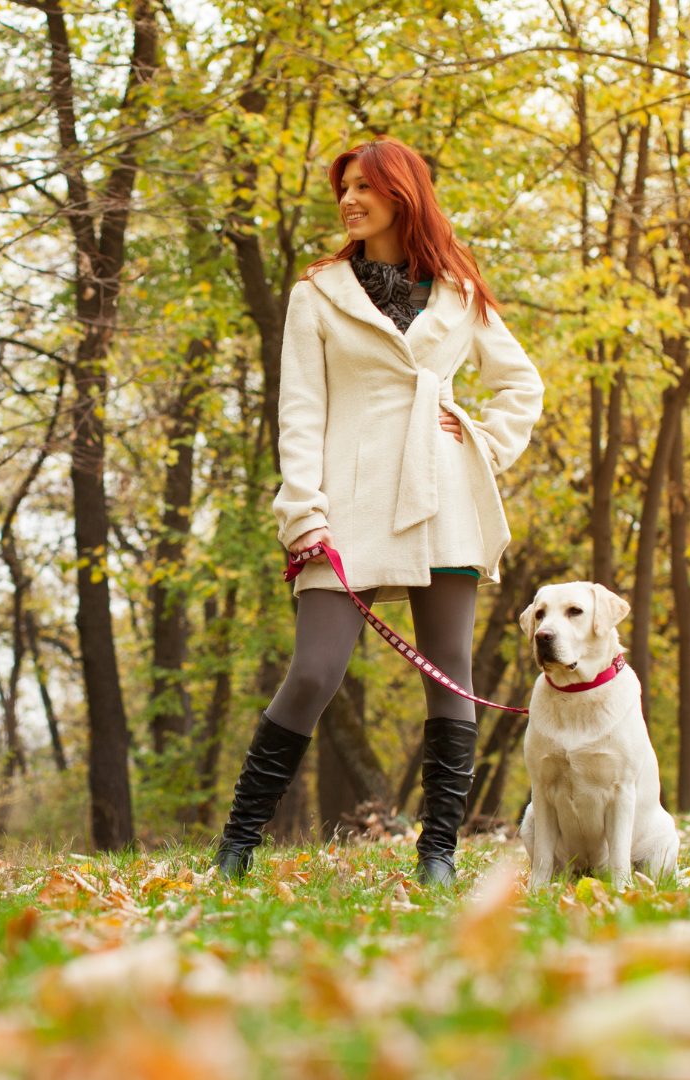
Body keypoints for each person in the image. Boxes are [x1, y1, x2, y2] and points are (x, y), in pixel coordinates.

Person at [214, 137, 544, 885]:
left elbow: (521, 383)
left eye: (365, 186)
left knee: (448, 673)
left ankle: (438, 857)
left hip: (443, 496)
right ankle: (237, 844)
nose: (350, 199)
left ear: (403, 193)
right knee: (314, 671)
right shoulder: (318, 291)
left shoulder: (459, 288)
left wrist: (484, 441)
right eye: (345, 187)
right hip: (348, 503)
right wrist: (304, 511)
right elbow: (300, 412)